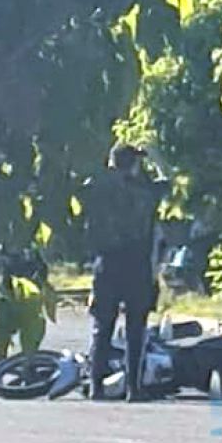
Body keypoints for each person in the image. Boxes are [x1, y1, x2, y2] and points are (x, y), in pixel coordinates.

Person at [82, 144, 166, 400]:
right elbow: (167, 182)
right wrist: (157, 159)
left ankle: (96, 385)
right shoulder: (144, 191)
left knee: (102, 325)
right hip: (137, 263)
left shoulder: (97, 188)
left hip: (107, 262)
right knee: (135, 328)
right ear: (134, 164)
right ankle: (133, 388)